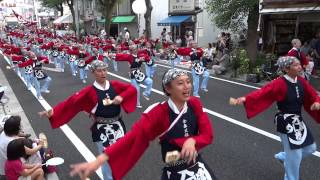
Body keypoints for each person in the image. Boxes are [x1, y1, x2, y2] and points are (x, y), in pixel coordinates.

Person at [70, 68, 215, 180]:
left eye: (188, 81)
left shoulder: (194, 104)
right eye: (180, 83)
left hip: (198, 165)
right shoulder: (159, 112)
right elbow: (133, 136)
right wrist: (100, 160)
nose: (187, 86)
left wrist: (192, 140)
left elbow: (208, 135)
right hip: (175, 169)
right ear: (168, 89)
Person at [38, 60, 137, 180]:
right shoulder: (90, 91)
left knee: (120, 155)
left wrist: (122, 96)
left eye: (105, 70)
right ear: (93, 72)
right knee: (106, 159)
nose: (103, 73)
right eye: (99, 71)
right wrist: (52, 111)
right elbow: (71, 102)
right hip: (101, 129)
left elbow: (132, 89)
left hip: (118, 126)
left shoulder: (115, 85)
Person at [231, 56, 320, 180]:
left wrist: (317, 102)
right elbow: (263, 92)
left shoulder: (301, 81)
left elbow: (313, 94)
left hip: (297, 120)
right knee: (295, 156)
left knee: (311, 148)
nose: (299, 67)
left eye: (299, 64)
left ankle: (284, 157)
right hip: (285, 121)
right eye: (295, 65)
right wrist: (246, 98)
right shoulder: (280, 83)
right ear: (286, 68)